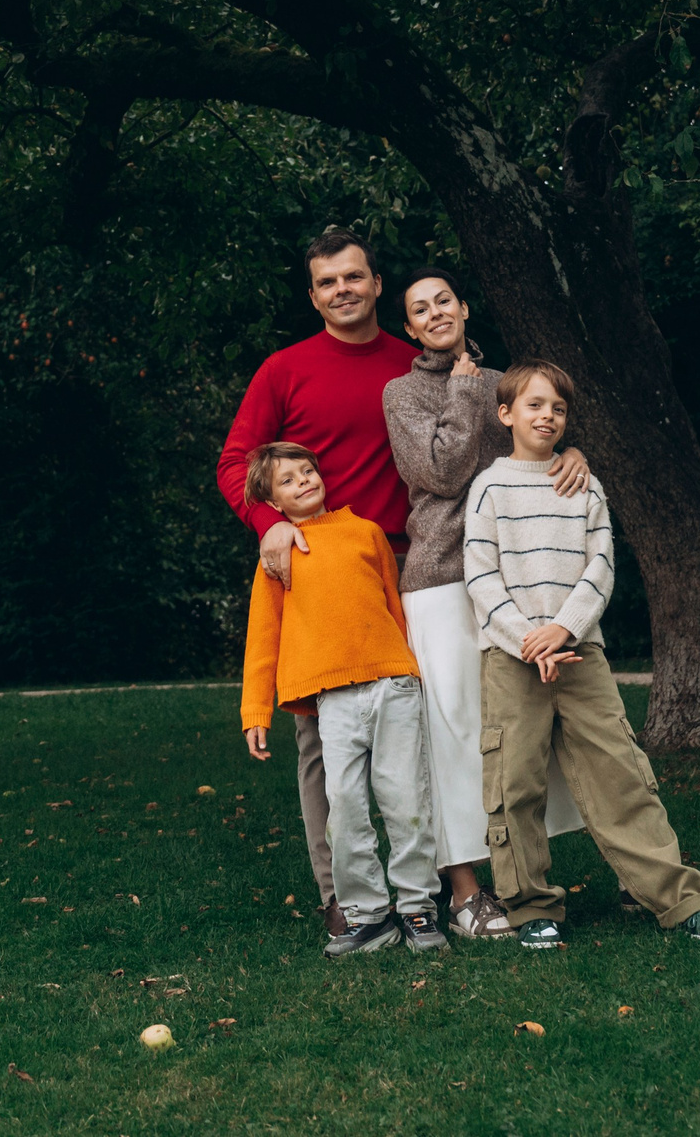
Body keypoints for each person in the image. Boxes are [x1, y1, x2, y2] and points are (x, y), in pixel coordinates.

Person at [463, 360, 700, 948]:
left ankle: (677, 897)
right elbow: (480, 577)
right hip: (513, 660)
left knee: (621, 774)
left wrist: (562, 630)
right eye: (534, 405)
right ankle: (531, 906)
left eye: (558, 408)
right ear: (505, 414)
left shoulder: (582, 484)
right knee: (516, 784)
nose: (547, 416)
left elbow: (601, 567)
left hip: (580, 653)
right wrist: (526, 639)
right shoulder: (488, 487)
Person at [215, 230, 419, 938]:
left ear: (376, 282)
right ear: (313, 295)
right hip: (310, 565)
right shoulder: (285, 369)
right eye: (328, 282)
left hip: (404, 564)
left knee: (422, 727)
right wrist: (268, 521)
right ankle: (344, 895)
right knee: (323, 748)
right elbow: (235, 460)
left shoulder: (412, 361)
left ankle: (429, 890)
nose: (343, 290)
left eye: (353, 277)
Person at [381, 266, 587, 939]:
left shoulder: (504, 382)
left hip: (512, 574)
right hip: (441, 576)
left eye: (445, 298)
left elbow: (532, 449)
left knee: (520, 724)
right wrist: (466, 393)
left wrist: (572, 453)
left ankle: (521, 876)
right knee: (454, 731)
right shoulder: (403, 391)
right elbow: (437, 472)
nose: (436, 311)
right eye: (420, 307)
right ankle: (465, 887)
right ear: (409, 326)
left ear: (464, 307)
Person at [237, 440, 447, 956]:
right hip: (332, 701)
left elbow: (393, 606)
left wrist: (410, 670)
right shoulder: (277, 554)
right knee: (345, 808)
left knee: (406, 800)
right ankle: (368, 916)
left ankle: (418, 908)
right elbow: (263, 637)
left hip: (392, 684)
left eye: (308, 471)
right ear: (273, 505)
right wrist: (255, 710)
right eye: (287, 480)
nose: (304, 480)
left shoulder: (365, 532)